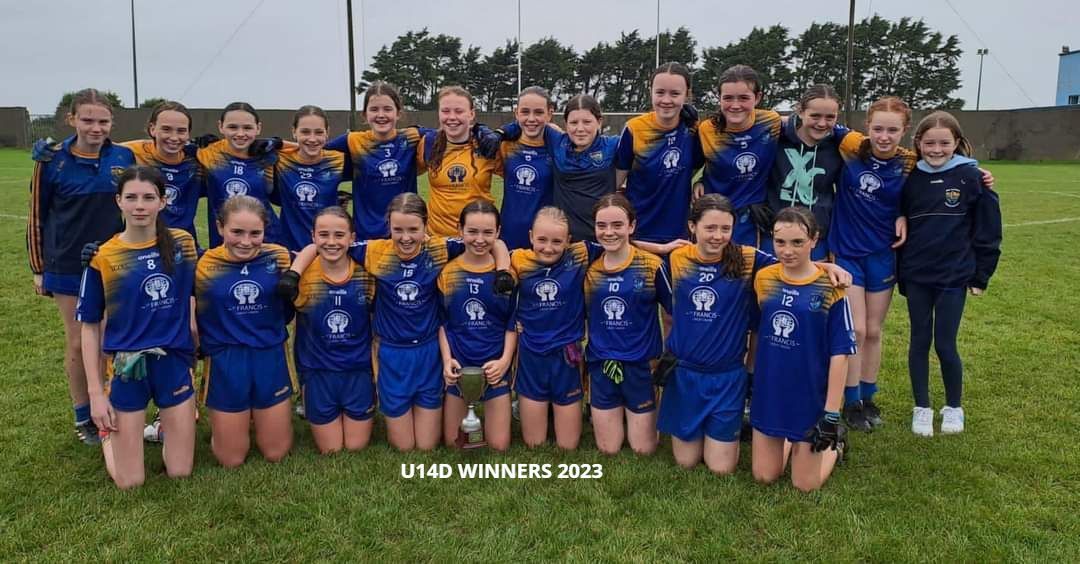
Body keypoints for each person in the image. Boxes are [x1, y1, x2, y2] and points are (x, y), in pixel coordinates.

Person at [291, 193, 511, 451]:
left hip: (428, 351)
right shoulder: (374, 252)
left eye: (413, 230)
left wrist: (503, 270)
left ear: (426, 227)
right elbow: (320, 244)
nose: (406, 237)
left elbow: (494, 242)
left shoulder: (439, 249)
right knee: (404, 446)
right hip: (391, 352)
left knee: (427, 445)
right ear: (389, 227)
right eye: (398, 230)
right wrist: (293, 274)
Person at [77, 166, 198, 488]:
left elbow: (208, 282)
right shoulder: (103, 256)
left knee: (180, 471)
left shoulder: (183, 244)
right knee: (130, 482)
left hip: (173, 361)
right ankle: (109, 435)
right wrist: (95, 394)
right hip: (126, 367)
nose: (140, 206)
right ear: (119, 201)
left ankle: (165, 425)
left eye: (148, 197)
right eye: (131, 198)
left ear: (162, 201)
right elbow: (89, 327)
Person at [27, 88, 136, 444]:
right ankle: (83, 415)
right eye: (87, 120)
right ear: (71, 119)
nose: (95, 128)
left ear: (112, 123)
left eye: (103, 121)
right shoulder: (51, 160)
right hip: (67, 265)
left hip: (112, 262)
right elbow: (36, 215)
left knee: (110, 340)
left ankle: (109, 405)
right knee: (78, 342)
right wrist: (38, 268)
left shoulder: (123, 156)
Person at [899, 111, 1001, 436]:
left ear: (957, 142)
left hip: (953, 277)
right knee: (919, 341)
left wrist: (981, 276)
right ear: (918, 142)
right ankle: (922, 407)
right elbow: (897, 218)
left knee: (945, 344)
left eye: (944, 143)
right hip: (917, 275)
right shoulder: (910, 177)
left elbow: (989, 230)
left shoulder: (972, 177)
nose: (937, 149)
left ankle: (954, 407)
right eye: (929, 143)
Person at [751, 207, 856, 492]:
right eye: (780, 242)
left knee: (805, 485)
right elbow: (757, 331)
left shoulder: (832, 287)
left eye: (797, 242)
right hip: (771, 390)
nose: (787, 251)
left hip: (810, 394)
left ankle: (835, 445)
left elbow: (841, 354)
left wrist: (831, 413)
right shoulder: (764, 278)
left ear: (814, 239)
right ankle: (790, 441)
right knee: (764, 476)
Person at [830, 97, 917, 431]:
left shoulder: (910, 161)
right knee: (857, 330)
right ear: (867, 126)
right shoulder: (852, 146)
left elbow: (948, 164)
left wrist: (904, 214)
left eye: (892, 130)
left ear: (904, 130)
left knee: (874, 331)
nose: (884, 136)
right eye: (878, 128)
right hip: (847, 252)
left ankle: (869, 396)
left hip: (883, 254)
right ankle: (851, 400)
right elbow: (808, 122)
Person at [196, 195, 294, 467]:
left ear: (265, 231)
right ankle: (235, 419)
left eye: (255, 233)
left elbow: (318, 250)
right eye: (236, 232)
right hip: (225, 359)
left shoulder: (278, 257)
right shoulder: (203, 264)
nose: (246, 241)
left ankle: (256, 414)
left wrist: (295, 273)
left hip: (269, 354)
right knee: (231, 459)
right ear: (220, 227)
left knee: (276, 453)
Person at [510, 207, 604, 449]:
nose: (548, 248)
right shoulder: (518, 259)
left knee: (568, 445)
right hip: (531, 354)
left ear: (568, 241)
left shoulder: (580, 255)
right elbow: (494, 248)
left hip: (567, 355)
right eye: (541, 240)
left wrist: (665, 248)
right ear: (531, 237)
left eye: (557, 241)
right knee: (534, 444)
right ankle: (523, 403)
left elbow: (620, 245)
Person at [584, 195, 671, 455]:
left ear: (631, 226)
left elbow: (673, 313)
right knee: (608, 448)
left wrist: (669, 354)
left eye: (617, 225)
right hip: (602, 362)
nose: (609, 232)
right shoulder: (588, 263)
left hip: (641, 363)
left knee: (643, 449)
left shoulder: (651, 265)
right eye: (601, 225)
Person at [292, 207, 376, 453]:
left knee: (355, 446)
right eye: (323, 235)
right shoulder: (300, 273)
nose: (331, 242)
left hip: (358, 370)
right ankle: (308, 399)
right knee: (331, 449)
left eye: (339, 235)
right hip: (318, 371)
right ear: (313, 237)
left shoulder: (367, 273)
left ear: (352, 238)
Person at [483, 95, 620, 242]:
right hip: (563, 240)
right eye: (574, 122)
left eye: (587, 122)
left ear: (599, 122)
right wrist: (500, 133)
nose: (580, 128)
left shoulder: (613, 145)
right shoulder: (557, 141)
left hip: (601, 236)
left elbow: (633, 138)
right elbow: (527, 123)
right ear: (566, 124)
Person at [439, 201, 516, 451]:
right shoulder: (448, 272)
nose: (480, 240)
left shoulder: (506, 275)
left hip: (494, 368)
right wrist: (447, 360)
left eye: (487, 232)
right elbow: (442, 322)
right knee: (453, 443)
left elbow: (512, 323)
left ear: (498, 232)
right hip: (460, 366)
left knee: (499, 445)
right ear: (459, 230)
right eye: (472, 231)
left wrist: (504, 362)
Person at [614, 62, 702, 251]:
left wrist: (701, 181)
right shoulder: (634, 129)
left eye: (675, 94)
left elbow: (707, 164)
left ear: (687, 94)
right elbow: (614, 183)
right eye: (660, 92)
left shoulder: (693, 129)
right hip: (639, 234)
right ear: (650, 91)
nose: (666, 100)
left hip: (679, 235)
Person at [694, 65, 783, 247]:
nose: (735, 105)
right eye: (728, 98)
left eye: (743, 98)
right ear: (719, 98)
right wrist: (698, 181)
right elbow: (691, 164)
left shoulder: (771, 122)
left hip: (753, 218)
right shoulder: (707, 129)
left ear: (757, 97)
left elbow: (809, 125)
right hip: (714, 215)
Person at [325, 82, 425, 240]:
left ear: (398, 113)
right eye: (374, 109)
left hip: (404, 235)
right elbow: (313, 150)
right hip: (366, 235)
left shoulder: (412, 137)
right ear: (365, 115)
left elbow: (446, 137)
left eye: (387, 109)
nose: (381, 115)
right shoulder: (353, 141)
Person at [195, 102, 284, 248]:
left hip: (267, 240)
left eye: (247, 128)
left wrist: (277, 142)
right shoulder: (207, 154)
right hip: (224, 241)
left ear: (258, 128)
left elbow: (308, 147)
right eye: (233, 127)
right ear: (221, 126)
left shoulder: (268, 156)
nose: (240, 133)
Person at [418, 86, 499, 237]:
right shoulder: (428, 143)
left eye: (459, 111)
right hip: (437, 240)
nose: (452, 117)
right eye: (445, 111)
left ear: (471, 114)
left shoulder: (488, 144)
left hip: (478, 240)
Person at [276, 105, 349, 252]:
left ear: (327, 133)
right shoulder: (279, 159)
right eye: (305, 132)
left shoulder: (339, 160)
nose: (312, 138)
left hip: (327, 249)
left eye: (319, 132)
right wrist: (279, 143)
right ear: (294, 132)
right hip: (290, 250)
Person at [494, 86, 556, 250]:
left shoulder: (558, 148)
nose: (531, 118)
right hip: (507, 236)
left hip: (545, 241)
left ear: (550, 114)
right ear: (516, 113)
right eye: (525, 112)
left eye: (539, 112)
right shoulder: (505, 146)